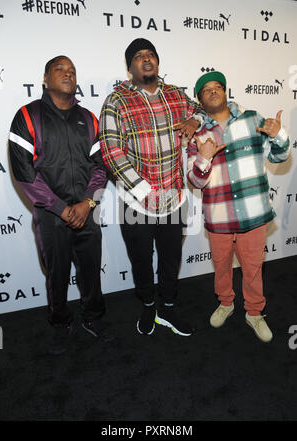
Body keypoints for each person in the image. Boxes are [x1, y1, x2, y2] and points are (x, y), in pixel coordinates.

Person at [99, 38, 204, 336]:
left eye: (151, 55)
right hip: (136, 201)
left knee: (171, 259)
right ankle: (148, 306)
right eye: (139, 56)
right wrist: (143, 190)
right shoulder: (116, 100)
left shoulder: (176, 94)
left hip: (174, 197)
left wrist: (195, 119)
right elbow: (110, 150)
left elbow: (204, 110)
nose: (146, 59)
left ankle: (168, 308)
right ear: (129, 65)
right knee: (141, 260)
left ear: (157, 62)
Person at [9, 55, 112, 355]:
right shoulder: (27, 116)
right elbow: (24, 172)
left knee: (91, 270)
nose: (67, 74)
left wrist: (87, 204)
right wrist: (61, 208)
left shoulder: (90, 119)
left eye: (72, 70)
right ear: (45, 78)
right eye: (59, 70)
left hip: (86, 210)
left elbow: (101, 167)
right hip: (51, 216)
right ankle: (60, 322)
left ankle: (93, 318)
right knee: (56, 275)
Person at [187, 71, 290, 343]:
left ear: (225, 91)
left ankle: (254, 313)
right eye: (206, 89)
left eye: (217, 87)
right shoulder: (195, 134)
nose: (212, 91)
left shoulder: (253, 119)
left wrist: (279, 135)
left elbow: (279, 156)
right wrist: (204, 159)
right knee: (221, 267)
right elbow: (194, 180)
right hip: (218, 217)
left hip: (253, 215)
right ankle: (226, 303)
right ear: (199, 99)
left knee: (253, 268)